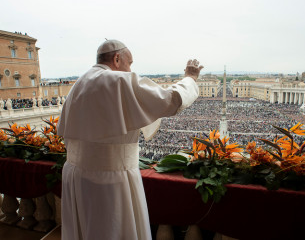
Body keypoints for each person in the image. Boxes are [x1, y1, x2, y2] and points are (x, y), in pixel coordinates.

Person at [57, 39, 203, 240]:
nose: (130, 68)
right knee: (111, 229)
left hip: (75, 176)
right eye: (130, 63)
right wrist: (190, 78)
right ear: (117, 59)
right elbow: (170, 100)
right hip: (110, 178)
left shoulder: (78, 84)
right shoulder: (118, 80)